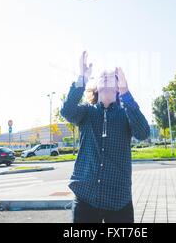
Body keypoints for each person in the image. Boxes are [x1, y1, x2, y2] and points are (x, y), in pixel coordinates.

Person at [61, 51, 150, 223]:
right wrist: (82, 78)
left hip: (118, 199)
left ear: (118, 86)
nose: (106, 77)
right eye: (102, 76)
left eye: (112, 77)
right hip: (86, 197)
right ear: (96, 85)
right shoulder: (86, 112)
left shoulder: (126, 113)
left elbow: (143, 132)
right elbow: (67, 111)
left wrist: (126, 93)